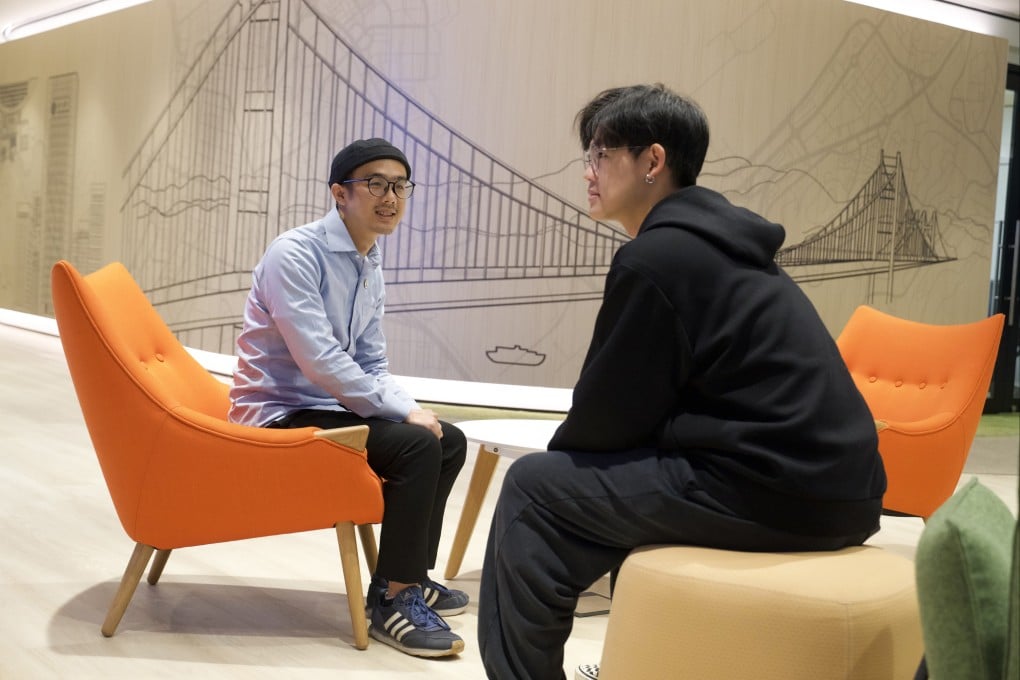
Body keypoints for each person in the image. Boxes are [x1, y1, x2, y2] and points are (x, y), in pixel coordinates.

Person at [477, 84, 887, 680]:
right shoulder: (729, 248)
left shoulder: (657, 258)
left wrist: (570, 476)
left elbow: (607, 416)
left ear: (653, 161)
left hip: (777, 491)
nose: (587, 171)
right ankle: (638, 661)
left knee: (534, 491)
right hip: (844, 489)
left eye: (601, 154)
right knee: (603, 485)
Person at [229, 138, 469, 659]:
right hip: (278, 414)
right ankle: (391, 601)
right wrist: (404, 411)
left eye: (401, 185)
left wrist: (410, 407)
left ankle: (410, 576)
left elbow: (371, 363)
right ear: (340, 194)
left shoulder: (369, 260)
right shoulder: (294, 253)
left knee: (448, 440)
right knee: (415, 445)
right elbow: (320, 360)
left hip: (326, 406)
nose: (391, 196)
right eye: (376, 184)